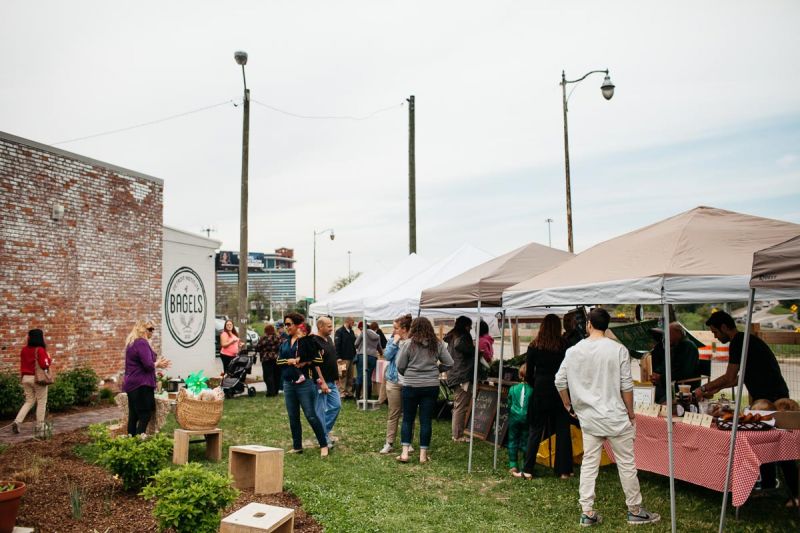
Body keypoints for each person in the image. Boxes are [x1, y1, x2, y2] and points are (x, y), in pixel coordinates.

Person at [555, 308, 660, 526]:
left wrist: (567, 404)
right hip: (615, 416)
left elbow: (559, 381)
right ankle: (635, 510)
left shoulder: (573, 351)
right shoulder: (618, 349)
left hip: (589, 417)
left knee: (589, 464)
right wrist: (631, 413)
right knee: (626, 464)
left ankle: (587, 512)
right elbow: (626, 386)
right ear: (606, 325)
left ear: (589, 324)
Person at [518, 314, 574, 480]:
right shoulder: (565, 345)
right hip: (560, 390)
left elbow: (529, 373)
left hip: (541, 390)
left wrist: (535, 384)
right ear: (558, 327)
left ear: (542, 326)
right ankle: (564, 470)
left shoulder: (534, 345)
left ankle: (528, 469)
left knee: (535, 430)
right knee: (563, 430)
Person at [694, 310, 789, 403]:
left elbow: (729, 377)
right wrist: (719, 387)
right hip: (776, 394)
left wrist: (703, 388)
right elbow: (741, 378)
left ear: (723, 327)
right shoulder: (743, 339)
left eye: (715, 332)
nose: (715, 336)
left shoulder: (737, 342)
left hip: (771, 397)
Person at [396, 317, 453, 463]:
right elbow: (450, 363)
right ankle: (423, 455)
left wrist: (409, 373)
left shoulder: (408, 344)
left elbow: (400, 365)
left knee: (408, 419)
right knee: (426, 420)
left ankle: (404, 453)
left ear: (413, 328)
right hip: (430, 385)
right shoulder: (437, 344)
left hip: (411, 385)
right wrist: (437, 369)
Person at [276, 312, 329, 456]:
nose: (286, 327)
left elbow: (318, 360)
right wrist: (289, 361)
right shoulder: (285, 342)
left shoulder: (306, 341)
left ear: (297, 325)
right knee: (293, 416)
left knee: (310, 415)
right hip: (288, 384)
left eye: (289, 324)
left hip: (305, 384)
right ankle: (297, 446)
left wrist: (304, 361)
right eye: (285, 325)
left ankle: (323, 445)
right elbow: (278, 361)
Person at [123, 320, 171, 436]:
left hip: (132, 384)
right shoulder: (141, 343)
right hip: (142, 384)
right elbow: (148, 365)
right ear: (142, 330)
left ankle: (130, 442)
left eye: (153, 329)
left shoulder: (132, 343)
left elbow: (145, 362)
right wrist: (157, 364)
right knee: (145, 415)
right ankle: (139, 442)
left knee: (134, 416)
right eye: (150, 329)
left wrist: (158, 363)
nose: (152, 331)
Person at [379, 314, 413, 455]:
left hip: (409, 382)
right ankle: (389, 443)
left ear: (404, 329)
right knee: (393, 413)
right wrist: (395, 342)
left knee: (409, 414)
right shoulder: (393, 340)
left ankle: (408, 442)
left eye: (396, 328)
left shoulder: (413, 342)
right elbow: (387, 356)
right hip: (393, 381)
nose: (394, 330)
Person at [12, 329, 53, 434]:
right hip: (37, 379)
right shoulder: (40, 350)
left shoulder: (24, 350)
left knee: (29, 401)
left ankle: (17, 421)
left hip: (25, 378)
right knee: (41, 401)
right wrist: (49, 358)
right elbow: (44, 365)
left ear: (30, 338)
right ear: (40, 337)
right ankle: (40, 426)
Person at [650, 323, 701, 404]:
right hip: (671, 384)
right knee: (650, 394)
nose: (666, 336)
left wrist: (662, 378)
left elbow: (684, 372)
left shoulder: (688, 346)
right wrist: (657, 374)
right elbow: (666, 364)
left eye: (669, 333)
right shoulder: (676, 346)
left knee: (662, 401)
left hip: (683, 386)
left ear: (678, 333)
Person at [445, 316, 474, 442]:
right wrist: (475, 349)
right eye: (469, 326)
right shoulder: (463, 337)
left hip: (453, 373)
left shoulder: (452, 337)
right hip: (462, 375)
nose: (471, 328)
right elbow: (464, 348)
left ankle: (457, 433)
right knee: (461, 406)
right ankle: (457, 435)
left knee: (458, 404)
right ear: (465, 326)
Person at [313, 316, 342, 447]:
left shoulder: (329, 339)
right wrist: (322, 382)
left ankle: (321, 433)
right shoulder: (314, 341)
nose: (332, 328)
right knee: (320, 411)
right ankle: (323, 438)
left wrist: (337, 376)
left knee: (336, 406)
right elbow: (316, 365)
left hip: (332, 381)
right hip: (321, 383)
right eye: (329, 326)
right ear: (320, 327)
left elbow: (332, 358)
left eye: (332, 325)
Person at [506, 363, 531, 474]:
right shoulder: (532, 390)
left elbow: (509, 403)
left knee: (512, 440)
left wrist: (511, 413)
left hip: (514, 417)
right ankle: (525, 464)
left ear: (520, 375)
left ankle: (513, 464)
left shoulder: (512, 388)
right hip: (526, 418)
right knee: (526, 440)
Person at [355, 320, 382, 399]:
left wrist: (359, 348)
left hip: (362, 355)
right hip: (373, 356)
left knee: (360, 376)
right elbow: (379, 347)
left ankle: (357, 397)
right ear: (376, 329)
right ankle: (368, 397)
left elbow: (356, 343)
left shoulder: (364, 332)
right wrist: (381, 353)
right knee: (369, 376)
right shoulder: (377, 336)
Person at [256, 324, 282, 397]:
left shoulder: (263, 338)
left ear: (265, 331)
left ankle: (270, 392)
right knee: (276, 375)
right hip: (276, 358)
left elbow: (257, 348)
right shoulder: (278, 337)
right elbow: (281, 347)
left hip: (266, 359)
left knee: (268, 376)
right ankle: (276, 391)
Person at [335, 317, 357, 398]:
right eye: (352, 322)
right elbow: (337, 345)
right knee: (343, 376)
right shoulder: (339, 331)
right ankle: (342, 392)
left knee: (350, 376)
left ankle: (349, 392)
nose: (353, 324)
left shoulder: (351, 331)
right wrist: (338, 357)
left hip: (351, 357)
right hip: (343, 358)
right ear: (348, 321)